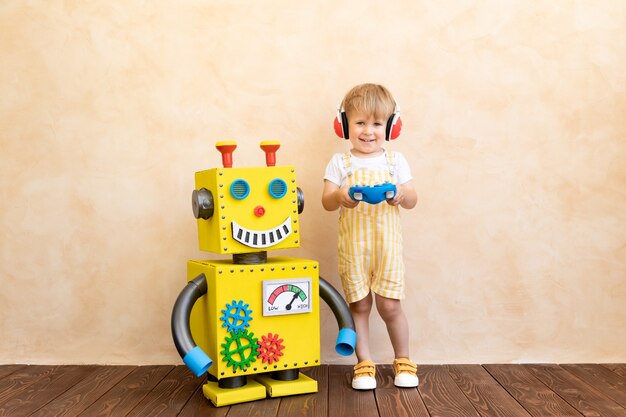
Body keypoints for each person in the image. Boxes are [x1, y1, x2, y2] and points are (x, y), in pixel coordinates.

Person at [321, 83, 419, 390]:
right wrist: (340, 195)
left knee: (390, 306)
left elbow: (413, 198)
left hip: (386, 249)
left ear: (391, 126)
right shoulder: (340, 163)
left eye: (377, 123)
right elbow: (326, 201)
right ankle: (363, 364)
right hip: (354, 249)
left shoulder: (394, 161)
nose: (368, 131)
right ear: (344, 124)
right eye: (360, 123)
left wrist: (401, 194)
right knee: (360, 305)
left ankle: (403, 359)